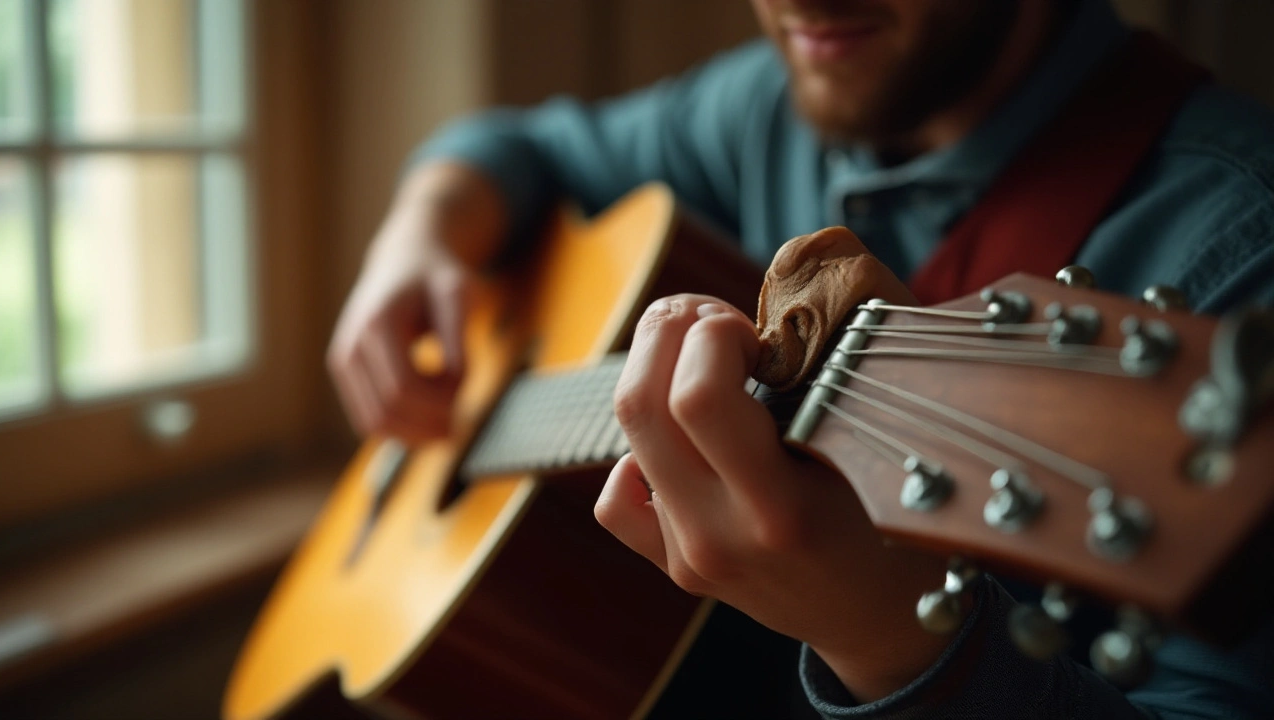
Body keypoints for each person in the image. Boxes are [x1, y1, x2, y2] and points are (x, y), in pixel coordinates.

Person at [327, 0, 1274, 717]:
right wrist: (418, 233)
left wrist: (890, 635)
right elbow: (524, 144)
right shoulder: (767, 106)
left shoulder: (1240, 242)